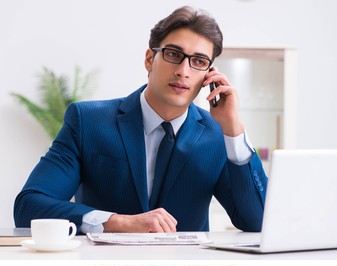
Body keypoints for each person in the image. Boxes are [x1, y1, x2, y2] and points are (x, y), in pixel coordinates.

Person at [14, 6, 268, 233]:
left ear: (209, 74)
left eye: (198, 61)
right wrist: (117, 222)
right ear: (150, 59)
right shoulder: (87, 121)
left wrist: (234, 131)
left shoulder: (217, 135)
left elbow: (258, 222)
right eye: (172, 54)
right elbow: (29, 207)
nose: (183, 70)